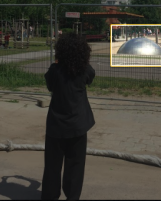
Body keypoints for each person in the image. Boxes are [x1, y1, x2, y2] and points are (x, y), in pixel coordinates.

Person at [42, 33, 95, 200]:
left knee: (52, 166)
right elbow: (90, 77)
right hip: (78, 125)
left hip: (56, 126)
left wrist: (58, 61)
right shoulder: (85, 70)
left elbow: (50, 85)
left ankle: (50, 196)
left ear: (60, 51)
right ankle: (72, 197)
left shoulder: (54, 70)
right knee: (75, 166)